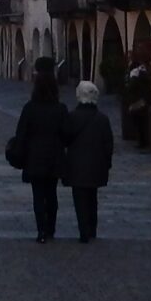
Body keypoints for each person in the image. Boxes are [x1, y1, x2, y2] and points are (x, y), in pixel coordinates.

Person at [8, 58, 71, 242]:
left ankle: (41, 231)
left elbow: (21, 133)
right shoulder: (60, 109)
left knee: (38, 195)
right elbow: (67, 134)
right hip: (54, 156)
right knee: (52, 194)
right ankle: (51, 229)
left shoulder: (30, 108)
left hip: (34, 157)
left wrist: (19, 153)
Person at [62, 78, 115, 243]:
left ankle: (83, 230)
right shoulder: (102, 119)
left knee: (80, 199)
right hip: (96, 165)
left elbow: (65, 139)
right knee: (92, 198)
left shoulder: (72, 117)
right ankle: (92, 229)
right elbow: (108, 144)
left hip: (76, 165)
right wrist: (107, 163)